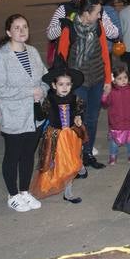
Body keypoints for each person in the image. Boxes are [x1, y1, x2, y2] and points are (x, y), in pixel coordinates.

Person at [0, 14, 48, 213]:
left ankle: (24, 191)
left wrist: (42, 91)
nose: (22, 31)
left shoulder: (32, 52)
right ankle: (13, 194)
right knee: (13, 155)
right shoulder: (2, 57)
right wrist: (29, 92)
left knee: (27, 155)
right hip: (14, 116)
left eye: (24, 26)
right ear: (8, 32)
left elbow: (44, 78)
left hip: (34, 114)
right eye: (17, 27)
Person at [54, 0, 113, 170]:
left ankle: (87, 153)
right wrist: (63, 84)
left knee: (92, 119)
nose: (99, 15)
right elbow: (61, 58)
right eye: (97, 12)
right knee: (77, 120)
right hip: (78, 83)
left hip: (96, 79)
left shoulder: (98, 27)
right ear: (86, 14)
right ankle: (75, 156)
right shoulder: (69, 29)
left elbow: (104, 54)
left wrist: (108, 80)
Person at [33, 66, 88, 204]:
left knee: (74, 158)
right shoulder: (50, 101)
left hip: (72, 134)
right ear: (54, 85)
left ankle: (79, 168)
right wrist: (35, 102)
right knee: (65, 163)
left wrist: (78, 118)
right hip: (57, 137)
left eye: (68, 84)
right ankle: (68, 193)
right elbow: (40, 116)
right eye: (61, 84)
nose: (65, 87)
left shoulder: (75, 99)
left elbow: (79, 111)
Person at [45, 0, 121, 43]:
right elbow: (50, 35)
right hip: (70, 59)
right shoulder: (64, 9)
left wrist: (98, 20)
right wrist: (66, 22)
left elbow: (115, 34)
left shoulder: (98, 10)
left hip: (94, 58)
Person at [103, 64, 130, 165]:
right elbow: (105, 104)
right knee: (114, 141)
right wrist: (105, 95)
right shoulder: (111, 92)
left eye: (125, 77)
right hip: (116, 121)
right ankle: (113, 155)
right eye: (119, 78)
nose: (123, 80)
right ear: (114, 80)